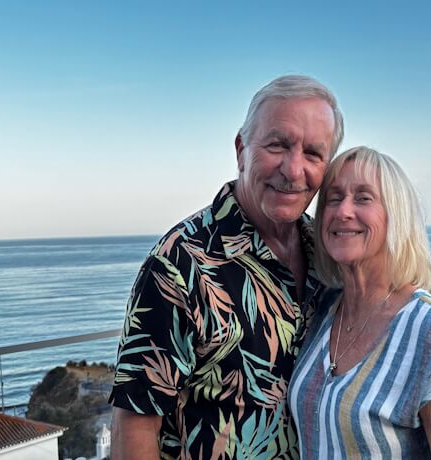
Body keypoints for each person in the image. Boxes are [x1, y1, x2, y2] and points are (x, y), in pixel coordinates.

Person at [109, 75, 344, 459]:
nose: (293, 169)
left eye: (313, 154)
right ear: (241, 149)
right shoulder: (179, 264)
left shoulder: (329, 257)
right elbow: (134, 429)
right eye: (277, 144)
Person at [287, 146, 431, 459]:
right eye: (334, 197)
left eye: (363, 197)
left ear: (395, 217)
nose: (343, 211)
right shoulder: (323, 311)